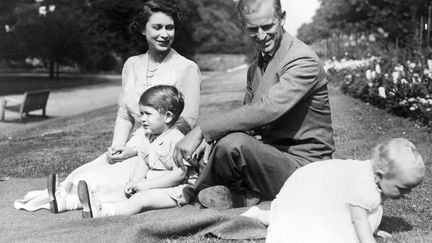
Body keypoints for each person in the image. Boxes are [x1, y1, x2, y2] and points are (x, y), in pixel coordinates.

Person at [14, 0, 201, 213]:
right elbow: (124, 115)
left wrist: (135, 150)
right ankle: (61, 197)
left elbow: (186, 123)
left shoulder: (187, 68)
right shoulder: (132, 64)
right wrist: (116, 149)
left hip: (163, 151)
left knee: (107, 182)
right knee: (85, 173)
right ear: (143, 29)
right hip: (133, 143)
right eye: (157, 27)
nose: (165, 34)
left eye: (170, 27)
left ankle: (70, 201)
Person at [173, 0, 334, 209]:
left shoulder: (302, 60)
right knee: (226, 143)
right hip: (270, 157)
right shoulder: (255, 68)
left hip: (307, 168)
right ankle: (239, 195)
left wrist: (203, 130)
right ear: (243, 26)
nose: (261, 36)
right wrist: (211, 141)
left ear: (282, 18)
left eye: (267, 27)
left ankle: (202, 193)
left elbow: (266, 109)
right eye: (253, 29)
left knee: (234, 144)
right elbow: (246, 122)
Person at [241, 138, 426, 243]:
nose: (407, 194)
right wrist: (369, 237)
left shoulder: (377, 180)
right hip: (312, 190)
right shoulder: (365, 185)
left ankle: (261, 215)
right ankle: (260, 215)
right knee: (303, 222)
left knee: (286, 213)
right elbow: (358, 219)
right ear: (380, 174)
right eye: (403, 189)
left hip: (322, 187)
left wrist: (374, 230)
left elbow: (366, 211)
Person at [77, 85, 197, 218]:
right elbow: (142, 162)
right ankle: (87, 201)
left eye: (148, 114)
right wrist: (134, 182)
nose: (143, 119)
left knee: (141, 200)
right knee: (124, 191)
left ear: (167, 117)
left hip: (178, 190)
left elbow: (179, 176)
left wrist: (145, 185)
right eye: (141, 113)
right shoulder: (148, 137)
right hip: (154, 185)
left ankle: (102, 211)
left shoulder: (177, 140)